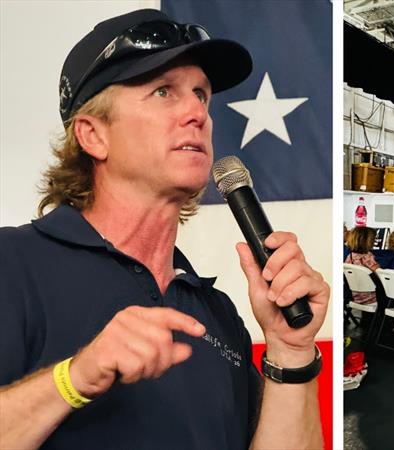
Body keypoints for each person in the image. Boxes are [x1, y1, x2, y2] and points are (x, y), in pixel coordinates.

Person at [0, 9, 329, 449]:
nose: (197, 111)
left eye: (200, 94)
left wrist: (291, 351)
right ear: (93, 135)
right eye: (162, 91)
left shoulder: (216, 313)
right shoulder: (13, 264)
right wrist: (72, 379)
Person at [345, 227, 381, 305]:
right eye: (373, 240)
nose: (374, 242)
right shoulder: (367, 257)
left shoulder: (350, 256)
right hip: (372, 297)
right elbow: (380, 274)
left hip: (355, 296)